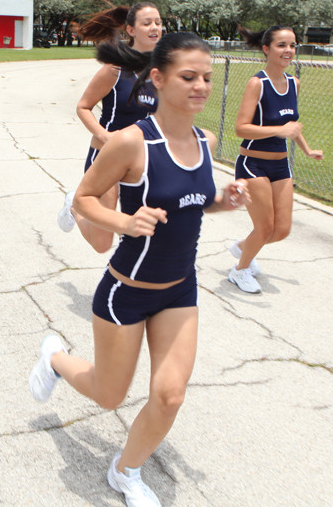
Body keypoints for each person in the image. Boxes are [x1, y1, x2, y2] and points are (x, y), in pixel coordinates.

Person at [30, 32, 250, 507]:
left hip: (179, 291)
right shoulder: (132, 142)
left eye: (208, 78)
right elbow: (84, 199)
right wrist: (125, 221)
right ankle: (54, 358)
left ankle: (125, 471)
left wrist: (222, 201)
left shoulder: (205, 141)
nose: (201, 86)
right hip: (125, 293)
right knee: (109, 395)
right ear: (158, 77)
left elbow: (190, 203)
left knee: (170, 395)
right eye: (189, 76)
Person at [57, 2, 161, 253]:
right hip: (106, 157)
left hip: (139, 163)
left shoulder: (162, 73)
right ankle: (74, 205)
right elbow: (83, 106)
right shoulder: (116, 69)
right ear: (131, 30)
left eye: (158, 22)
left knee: (144, 229)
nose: (154, 27)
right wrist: (105, 136)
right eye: (146, 23)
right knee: (102, 243)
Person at [228, 26, 323, 294]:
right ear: (267, 49)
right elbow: (241, 128)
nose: (289, 51)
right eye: (282, 45)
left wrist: (306, 148)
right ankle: (239, 271)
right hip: (252, 163)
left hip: (280, 164)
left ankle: (242, 247)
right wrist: (278, 131)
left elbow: (290, 124)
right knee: (265, 226)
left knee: (280, 230)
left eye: (293, 45)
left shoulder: (294, 83)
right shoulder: (257, 83)